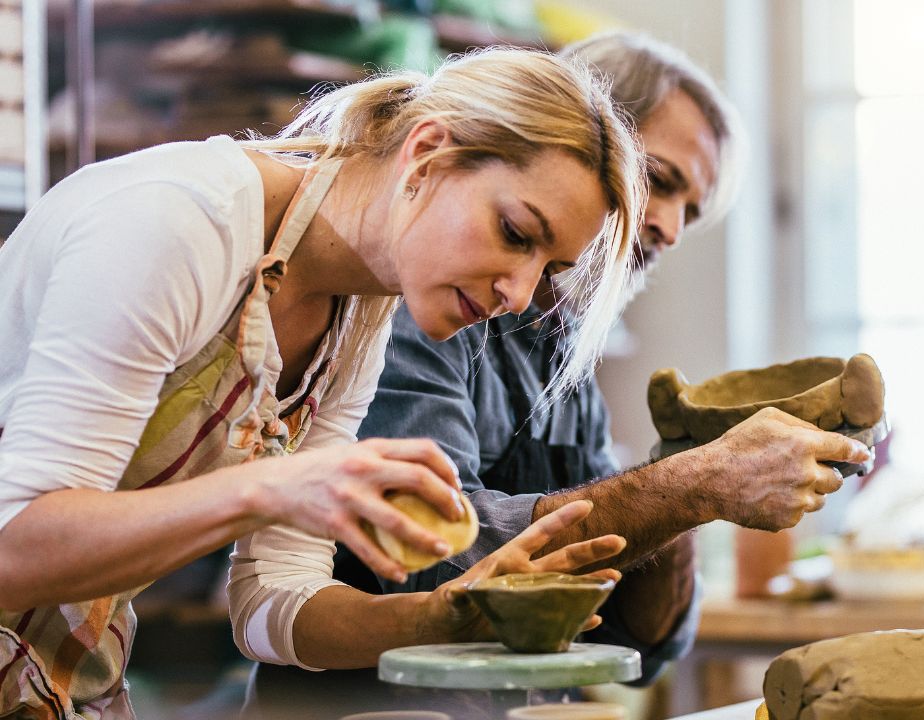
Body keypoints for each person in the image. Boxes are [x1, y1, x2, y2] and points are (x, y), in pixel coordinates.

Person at [0, 46, 646, 718]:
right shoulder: (177, 224)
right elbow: (15, 546)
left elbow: (272, 608)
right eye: (515, 232)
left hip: (63, 675)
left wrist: (443, 617)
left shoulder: (359, 312)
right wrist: (271, 488)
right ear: (427, 153)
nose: (517, 294)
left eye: (547, 268)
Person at [239, 32, 871, 713]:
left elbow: (641, 645)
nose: (668, 229)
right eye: (657, 183)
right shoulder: (417, 298)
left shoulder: (560, 348)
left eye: (691, 210)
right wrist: (692, 484)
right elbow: (439, 555)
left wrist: (690, 461)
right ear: (583, 153)